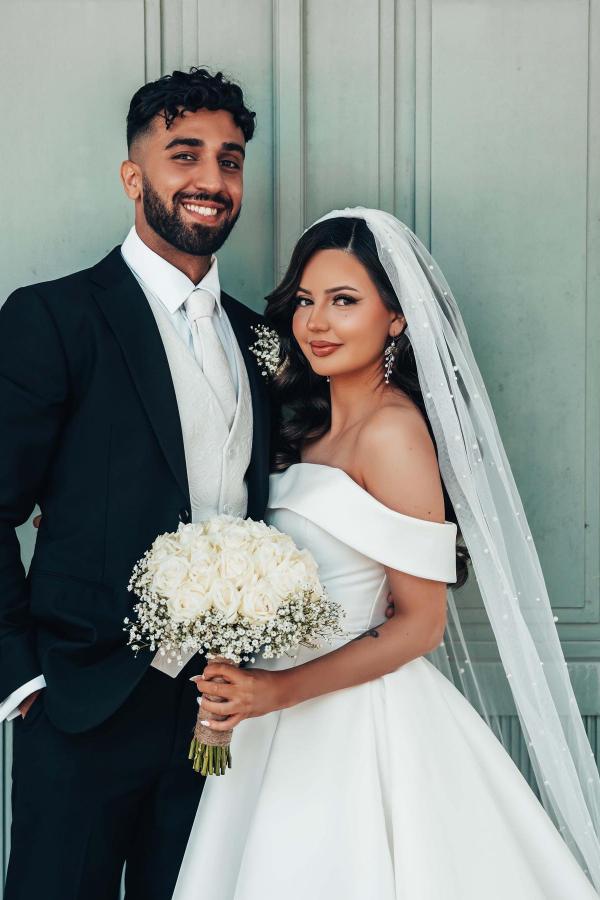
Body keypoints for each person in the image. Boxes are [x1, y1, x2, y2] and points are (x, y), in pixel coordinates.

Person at [172, 210, 600, 899]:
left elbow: (421, 624)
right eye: (305, 300)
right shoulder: (302, 429)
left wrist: (278, 691)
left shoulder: (393, 433)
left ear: (396, 318)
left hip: (353, 720)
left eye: (344, 301)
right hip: (269, 719)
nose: (316, 322)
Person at [0, 68, 270, 899]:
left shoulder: (262, 338)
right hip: (82, 706)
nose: (211, 179)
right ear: (132, 176)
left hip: (221, 718)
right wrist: (26, 683)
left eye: (229, 160)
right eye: (184, 155)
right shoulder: (54, 318)